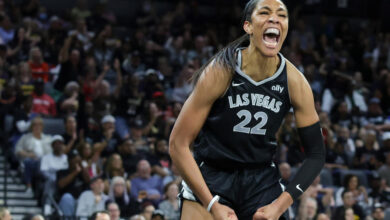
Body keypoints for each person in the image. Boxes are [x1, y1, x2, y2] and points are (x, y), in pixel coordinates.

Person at [169, 0, 326, 219]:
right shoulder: (221, 71)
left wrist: (279, 206)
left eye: (281, 15)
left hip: (260, 179)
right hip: (213, 174)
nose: (274, 19)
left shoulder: (295, 81)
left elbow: (316, 154)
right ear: (248, 26)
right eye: (264, 12)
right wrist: (212, 204)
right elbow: (178, 144)